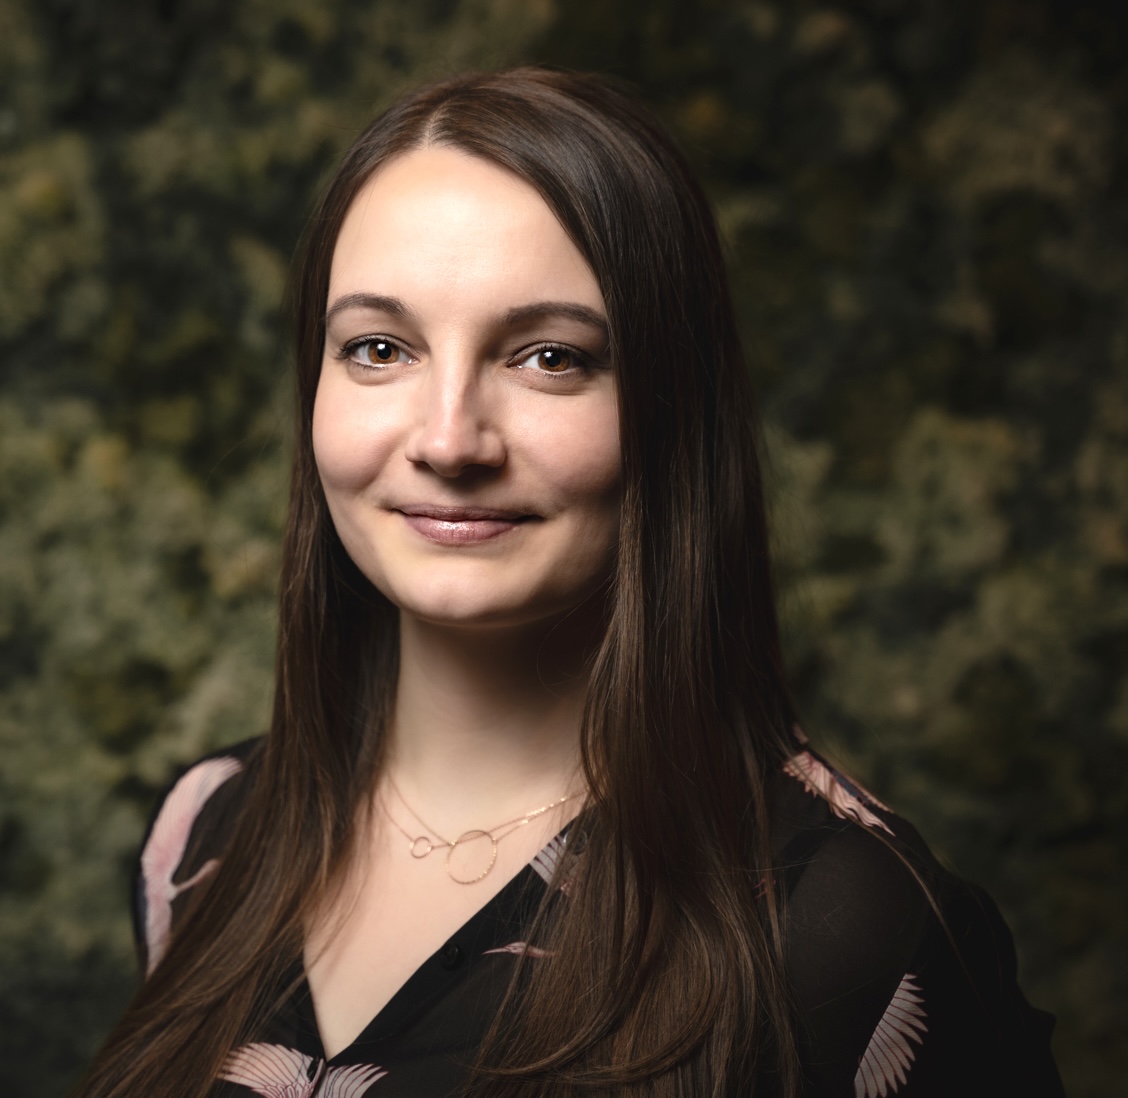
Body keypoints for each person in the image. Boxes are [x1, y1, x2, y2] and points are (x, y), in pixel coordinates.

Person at [79, 68, 1064, 1098]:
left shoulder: (850, 923)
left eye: (549, 357)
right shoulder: (208, 832)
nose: (449, 439)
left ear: (674, 408)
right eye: (379, 348)